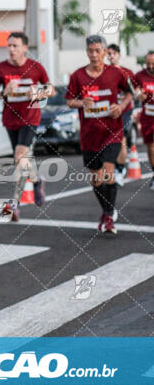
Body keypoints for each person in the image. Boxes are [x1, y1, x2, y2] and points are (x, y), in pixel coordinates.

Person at [65, 35, 133, 235]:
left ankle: (109, 216)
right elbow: (69, 100)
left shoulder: (115, 73)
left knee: (109, 170)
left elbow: (130, 93)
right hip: (90, 135)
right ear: (86, 52)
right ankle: (105, 211)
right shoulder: (78, 76)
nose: (94, 55)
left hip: (112, 131)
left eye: (97, 50)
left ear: (105, 52)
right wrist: (81, 102)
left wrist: (120, 106)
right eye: (90, 51)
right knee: (96, 178)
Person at [0, 31, 54, 221]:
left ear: (25, 48)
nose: (11, 49)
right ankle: (36, 180)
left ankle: (13, 205)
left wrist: (38, 91)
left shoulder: (35, 68)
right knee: (22, 159)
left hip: (30, 118)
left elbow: (51, 89)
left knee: (19, 156)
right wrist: (3, 93)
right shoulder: (1, 69)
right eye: (9, 45)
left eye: (15, 46)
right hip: (10, 119)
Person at [106, 43, 135, 186]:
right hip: (109, 112)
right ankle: (114, 168)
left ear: (119, 55)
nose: (111, 56)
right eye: (109, 54)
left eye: (113, 53)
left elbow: (133, 91)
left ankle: (120, 169)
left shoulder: (127, 72)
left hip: (124, 110)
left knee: (121, 139)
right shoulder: (103, 72)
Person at [134, 51, 154, 190]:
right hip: (148, 117)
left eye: (153, 64)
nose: (150, 66)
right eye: (148, 64)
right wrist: (138, 95)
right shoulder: (140, 76)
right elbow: (134, 91)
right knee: (151, 147)